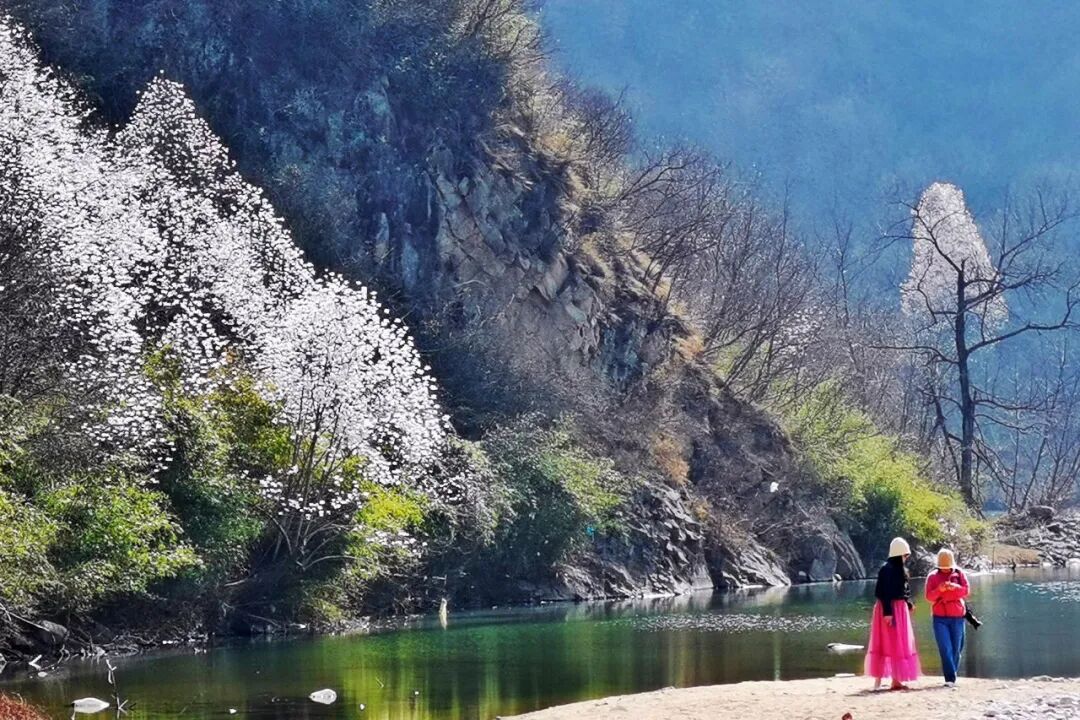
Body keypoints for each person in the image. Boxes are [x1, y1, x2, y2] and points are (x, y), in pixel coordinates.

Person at [865, 537, 922, 690]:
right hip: (889, 608)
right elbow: (883, 592)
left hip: (899, 609)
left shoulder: (900, 570)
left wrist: (908, 603)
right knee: (885, 642)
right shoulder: (886, 569)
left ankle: (896, 680)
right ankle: (879, 680)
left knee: (898, 644)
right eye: (905, 555)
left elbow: (903, 591)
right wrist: (888, 612)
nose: (906, 558)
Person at [925, 548, 969, 688]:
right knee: (945, 648)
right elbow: (929, 596)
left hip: (957, 616)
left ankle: (952, 674)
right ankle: (949, 678)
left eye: (947, 567)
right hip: (939, 617)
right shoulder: (932, 577)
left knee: (956, 648)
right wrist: (940, 590)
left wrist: (954, 587)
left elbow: (966, 591)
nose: (945, 569)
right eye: (943, 567)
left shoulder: (959, 574)